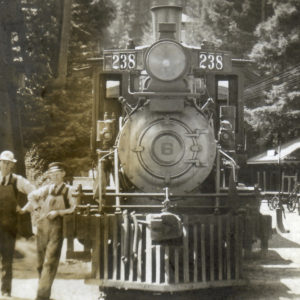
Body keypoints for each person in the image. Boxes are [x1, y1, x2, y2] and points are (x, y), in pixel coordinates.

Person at [20, 162, 76, 300]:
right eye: (52, 174)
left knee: (50, 261)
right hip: (42, 226)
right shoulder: (47, 189)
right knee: (40, 262)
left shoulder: (69, 190)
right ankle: (44, 290)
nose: (55, 177)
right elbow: (31, 196)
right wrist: (38, 208)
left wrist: (58, 212)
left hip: (57, 227)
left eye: (57, 174)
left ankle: (42, 296)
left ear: (63, 174)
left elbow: (73, 208)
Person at [0, 150, 35, 297]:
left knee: (7, 259)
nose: (7, 166)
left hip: (8, 226)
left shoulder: (17, 180)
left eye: (10, 164)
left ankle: (5, 291)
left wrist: (25, 209)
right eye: (4, 163)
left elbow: (35, 193)